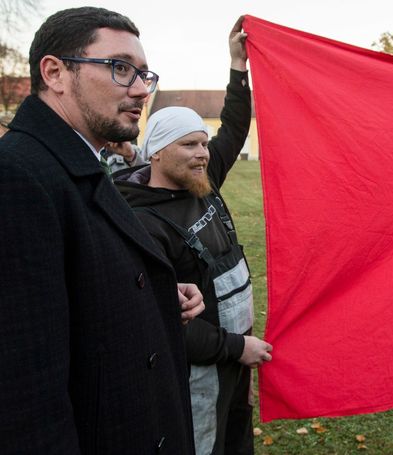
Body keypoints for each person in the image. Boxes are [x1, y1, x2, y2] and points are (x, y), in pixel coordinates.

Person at [0, 7, 205, 454]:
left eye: (144, 74)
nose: (139, 89)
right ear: (55, 72)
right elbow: (24, 396)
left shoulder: (76, 160)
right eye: (119, 68)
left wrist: (149, 293)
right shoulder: (17, 175)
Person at [115, 17, 272, 455]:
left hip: (234, 357)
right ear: (158, 152)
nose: (203, 153)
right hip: (196, 369)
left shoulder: (201, 179)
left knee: (238, 437)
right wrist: (237, 347)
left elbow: (236, 125)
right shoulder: (141, 222)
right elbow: (163, 322)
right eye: (189, 145)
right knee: (203, 443)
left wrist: (237, 65)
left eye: (204, 144)